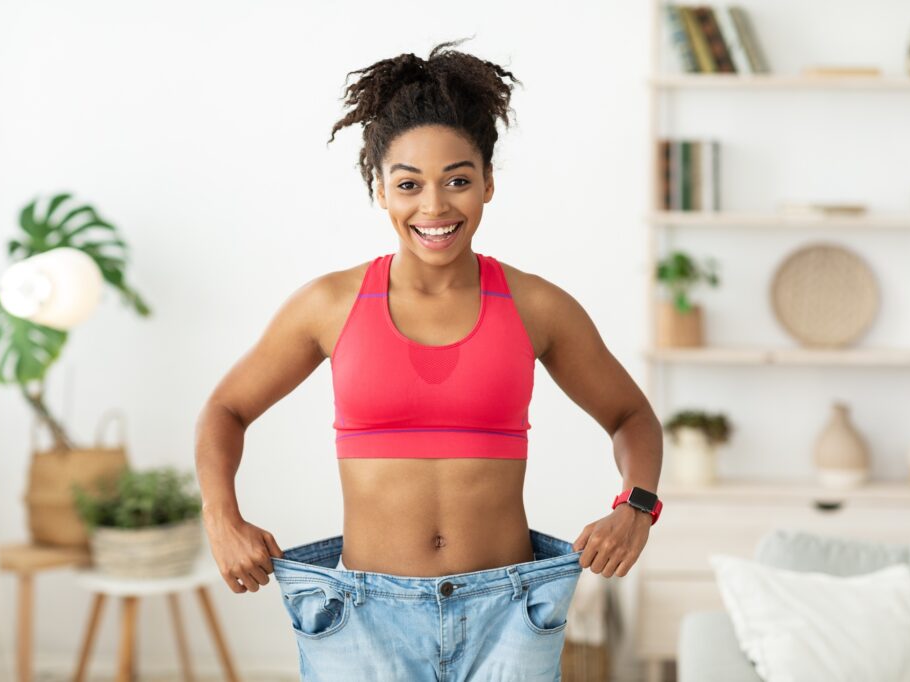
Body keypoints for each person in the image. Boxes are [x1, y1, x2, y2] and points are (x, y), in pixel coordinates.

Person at [194, 36, 663, 682]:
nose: (435, 207)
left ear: (489, 183)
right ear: (380, 191)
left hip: (510, 614)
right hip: (364, 619)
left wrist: (635, 507)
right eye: (409, 184)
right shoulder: (329, 305)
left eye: (458, 181)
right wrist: (221, 516)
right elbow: (226, 408)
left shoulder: (537, 307)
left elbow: (631, 414)